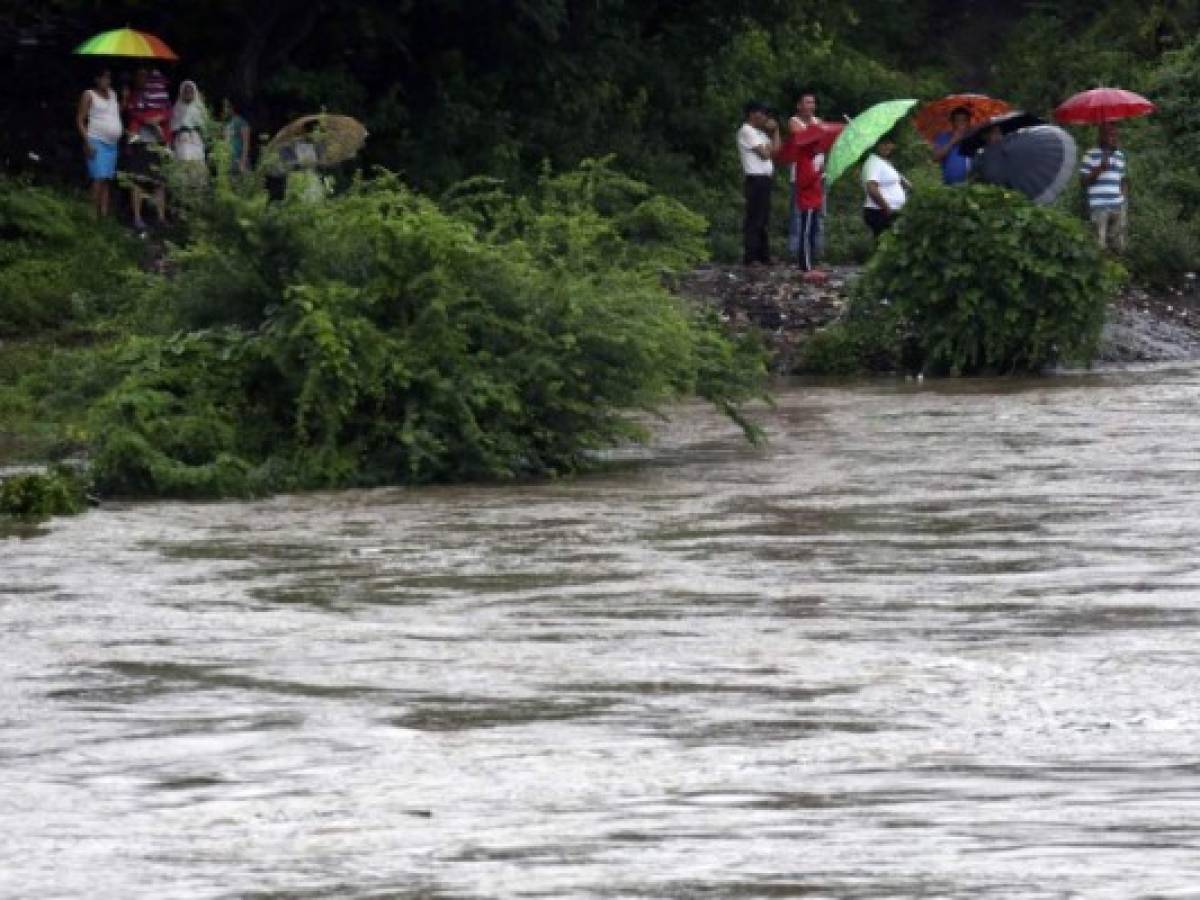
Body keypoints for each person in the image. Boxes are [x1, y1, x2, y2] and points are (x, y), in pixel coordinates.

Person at [737, 101, 781, 265]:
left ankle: (763, 255)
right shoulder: (747, 131)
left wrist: (775, 131)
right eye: (762, 114)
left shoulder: (761, 133)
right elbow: (764, 154)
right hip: (755, 178)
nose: (765, 118)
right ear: (752, 114)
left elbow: (775, 151)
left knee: (763, 219)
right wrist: (769, 148)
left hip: (765, 179)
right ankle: (751, 256)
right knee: (754, 218)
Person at [75, 69, 122, 218]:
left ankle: (104, 215)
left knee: (106, 179)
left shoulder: (113, 94)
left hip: (112, 143)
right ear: (97, 79)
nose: (107, 80)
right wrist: (87, 142)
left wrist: (125, 100)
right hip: (96, 140)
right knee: (98, 177)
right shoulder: (89, 94)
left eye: (109, 77)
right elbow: (80, 119)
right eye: (104, 77)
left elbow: (114, 113)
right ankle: (91, 216)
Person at [774, 131, 823, 272]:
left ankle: (810, 262)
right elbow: (803, 181)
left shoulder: (809, 159)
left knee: (811, 232)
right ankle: (806, 266)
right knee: (806, 233)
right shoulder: (804, 160)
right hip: (808, 202)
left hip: (814, 200)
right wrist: (817, 173)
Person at [787, 91, 825, 258]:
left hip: (818, 174)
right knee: (798, 214)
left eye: (813, 103)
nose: (811, 106)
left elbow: (823, 143)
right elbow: (803, 139)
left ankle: (816, 250)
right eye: (807, 102)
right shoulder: (794, 121)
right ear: (799, 105)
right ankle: (797, 251)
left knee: (819, 214)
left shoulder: (819, 121)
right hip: (800, 175)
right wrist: (817, 136)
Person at [1080, 122, 1128, 253]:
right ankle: (1101, 271)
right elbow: (1083, 182)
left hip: (1117, 206)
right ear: (1101, 137)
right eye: (1110, 135)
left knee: (1118, 247)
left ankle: (1116, 271)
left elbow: (1123, 180)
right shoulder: (1090, 155)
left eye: (1115, 135)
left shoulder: (1120, 155)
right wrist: (1100, 168)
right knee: (1099, 246)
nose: (1114, 138)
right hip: (1099, 206)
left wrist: (1123, 199)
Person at [862, 131, 909, 238]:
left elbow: (892, 181)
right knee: (885, 245)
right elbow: (872, 188)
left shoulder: (883, 162)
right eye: (883, 144)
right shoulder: (873, 163)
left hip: (889, 211)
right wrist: (887, 209)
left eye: (889, 143)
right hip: (880, 212)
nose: (887, 146)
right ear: (876, 145)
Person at [931, 106, 972, 186]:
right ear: (952, 122)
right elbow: (935, 158)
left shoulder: (973, 137)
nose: (961, 123)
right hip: (949, 185)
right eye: (958, 120)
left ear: (968, 122)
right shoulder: (943, 136)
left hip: (971, 184)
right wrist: (953, 141)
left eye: (964, 120)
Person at [221, 97, 252, 175]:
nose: (225, 109)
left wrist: (243, 161)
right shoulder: (227, 124)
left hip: (240, 159)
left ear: (233, 107)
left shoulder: (242, 122)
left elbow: (246, 143)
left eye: (227, 106)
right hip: (229, 161)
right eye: (224, 107)